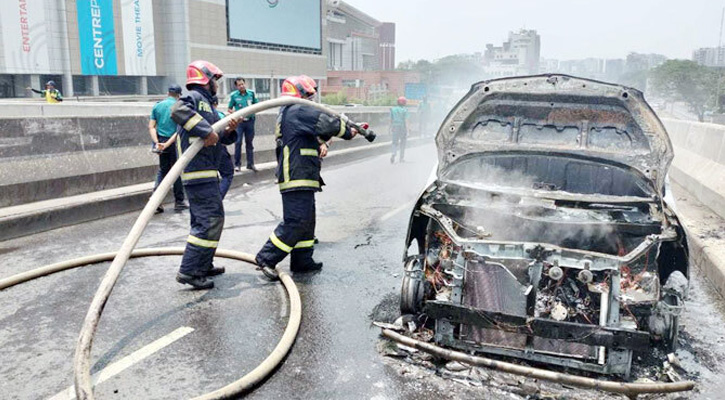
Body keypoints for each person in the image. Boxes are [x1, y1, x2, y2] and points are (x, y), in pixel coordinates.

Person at [255, 75, 357, 280]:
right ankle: (266, 257)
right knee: (296, 221)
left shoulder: (291, 113)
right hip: (296, 174)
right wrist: (348, 130)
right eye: (308, 95)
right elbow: (328, 124)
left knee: (307, 221)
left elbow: (317, 133)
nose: (310, 99)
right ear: (299, 94)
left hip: (303, 175)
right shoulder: (298, 109)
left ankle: (302, 261)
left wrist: (326, 140)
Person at [170, 60, 238, 290]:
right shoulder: (195, 100)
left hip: (207, 170)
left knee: (206, 219)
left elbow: (219, 139)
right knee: (210, 219)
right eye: (214, 80)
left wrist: (230, 129)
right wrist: (205, 129)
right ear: (205, 80)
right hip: (197, 172)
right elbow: (177, 111)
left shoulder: (209, 106)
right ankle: (189, 271)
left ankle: (203, 264)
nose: (217, 84)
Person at [149, 84, 188, 214]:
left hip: (160, 141)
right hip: (174, 142)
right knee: (175, 171)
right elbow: (179, 130)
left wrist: (157, 143)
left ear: (167, 93)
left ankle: (156, 201)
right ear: (179, 95)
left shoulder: (157, 106)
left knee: (163, 170)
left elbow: (152, 127)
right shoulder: (179, 107)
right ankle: (179, 202)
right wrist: (168, 144)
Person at [227, 77, 259, 172]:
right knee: (238, 142)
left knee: (249, 142)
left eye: (242, 84)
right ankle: (237, 165)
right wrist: (234, 114)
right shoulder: (233, 96)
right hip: (239, 123)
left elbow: (257, 105)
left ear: (245, 84)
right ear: (236, 86)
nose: (241, 86)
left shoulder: (251, 94)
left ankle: (250, 164)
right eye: (239, 85)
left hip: (250, 121)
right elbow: (229, 108)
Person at [212, 96, 235, 199]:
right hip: (219, 148)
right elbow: (225, 134)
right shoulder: (220, 115)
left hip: (203, 151)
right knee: (228, 173)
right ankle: (218, 199)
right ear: (216, 104)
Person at [390, 96, 409, 163]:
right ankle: (401, 158)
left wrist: (390, 128)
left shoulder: (392, 109)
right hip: (402, 127)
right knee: (403, 143)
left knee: (394, 142)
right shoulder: (405, 110)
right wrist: (408, 130)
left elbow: (391, 120)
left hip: (395, 126)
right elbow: (406, 120)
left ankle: (393, 153)